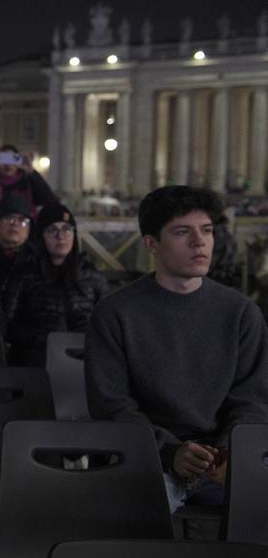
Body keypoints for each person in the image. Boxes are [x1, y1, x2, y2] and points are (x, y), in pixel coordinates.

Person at [86, 186, 268, 513]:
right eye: (183, 232)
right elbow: (111, 405)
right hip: (143, 456)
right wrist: (170, 452)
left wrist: (231, 451)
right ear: (151, 244)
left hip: (222, 457)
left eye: (207, 231)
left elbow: (252, 399)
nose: (200, 242)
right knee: (136, 517)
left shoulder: (241, 313)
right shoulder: (115, 313)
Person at [2, 202, 107, 367]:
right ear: (40, 236)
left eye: (66, 229)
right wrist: (42, 339)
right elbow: (6, 322)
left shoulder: (93, 277)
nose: (61, 236)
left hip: (83, 361)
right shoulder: (24, 275)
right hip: (36, 361)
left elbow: (106, 325)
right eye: (52, 230)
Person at [0, 194, 39, 293]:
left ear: (29, 230)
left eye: (22, 220)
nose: (14, 224)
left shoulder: (39, 262)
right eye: (9, 218)